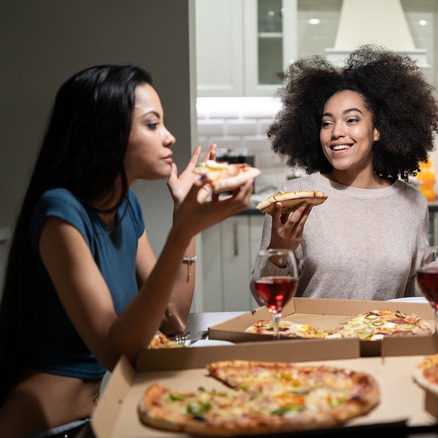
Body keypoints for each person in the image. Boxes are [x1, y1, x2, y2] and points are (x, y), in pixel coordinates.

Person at [0, 64, 252, 437]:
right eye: (152, 124)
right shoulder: (60, 212)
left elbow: (172, 319)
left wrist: (186, 226)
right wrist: (183, 227)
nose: (169, 137)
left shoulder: (125, 206)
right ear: (108, 133)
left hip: (103, 413)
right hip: (48, 427)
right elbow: (115, 352)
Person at [260, 45, 438, 301]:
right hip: (317, 338)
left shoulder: (411, 201)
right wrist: (278, 252)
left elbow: (414, 293)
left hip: (390, 337)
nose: (336, 132)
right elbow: (264, 299)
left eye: (351, 120)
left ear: (378, 130)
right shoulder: (294, 197)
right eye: (326, 123)